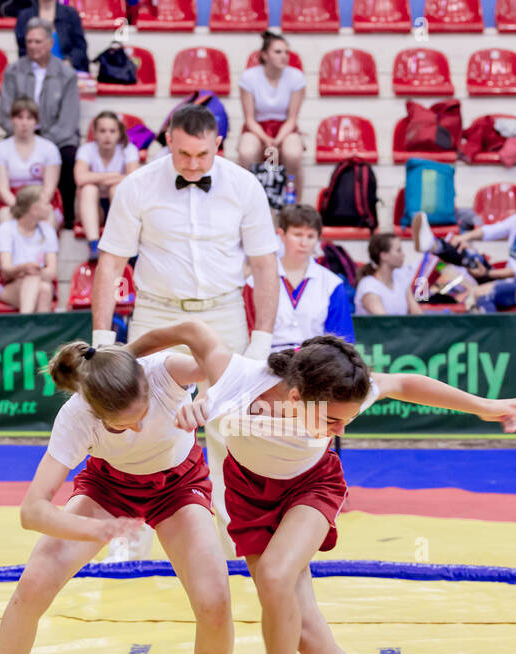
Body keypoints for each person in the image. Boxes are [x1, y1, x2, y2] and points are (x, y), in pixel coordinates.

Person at [128, 319, 516, 654]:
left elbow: (405, 382)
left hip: (312, 486)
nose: (341, 428)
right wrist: (127, 356)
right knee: (306, 632)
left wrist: (483, 406)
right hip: (251, 496)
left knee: (275, 577)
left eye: (346, 419)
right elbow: (194, 331)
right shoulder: (235, 379)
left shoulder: (345, 394)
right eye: (331, 421)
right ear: (293, 397)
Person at [0, 342, 241, 654]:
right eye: (124, 426)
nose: (136, 429)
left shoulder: (163, 371)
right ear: (97, 413)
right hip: (109, 488)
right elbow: (32, 510)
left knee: (215, 603)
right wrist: (99, 529)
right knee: (32, 587)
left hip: (179, 485)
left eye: (142, 416)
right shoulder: (77, 416)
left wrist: (206, 399)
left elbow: (222, 360)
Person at [91, 103, 280, 560]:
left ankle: (231, 543)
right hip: (156, 315)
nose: (194, 165)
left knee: (230, 430)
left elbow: (264, 264)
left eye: (202, 155)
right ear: (168, 140)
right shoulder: (136, 187)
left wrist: (262, 339)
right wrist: (101, 341)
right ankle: (127, 539)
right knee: (138, 425)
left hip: (225, 314)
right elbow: (111, 262)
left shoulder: (244, 185)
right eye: (184, 155)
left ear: (218, 144)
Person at [0, 19, 81, 229]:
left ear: (50, 43)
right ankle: (11, 204)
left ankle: (67, 216)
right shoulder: (13, 71)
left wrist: (43, 143)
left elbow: (69, 119)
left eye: (37, 41)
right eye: (29, 42)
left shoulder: (67, 74)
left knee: (69, 155)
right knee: (4, 150)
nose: (33, 46)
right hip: (20, 132)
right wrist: (24, 135)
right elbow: (5, 113)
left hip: (56, 137)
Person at [243, 205, 354, 351]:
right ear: (281, 235)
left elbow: (341, 342)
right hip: (266, 360)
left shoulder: (332, 284)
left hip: (316, 363)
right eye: (297, 235)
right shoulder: (255, 281)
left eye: (310, 236)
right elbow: (248, 333)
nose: (304, 243)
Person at [448, 179, 516, 311]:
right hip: (509, 278)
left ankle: (493, 331)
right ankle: (439, 248)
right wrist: (464, 237)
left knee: (483, 294)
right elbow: (491, 230)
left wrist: (488, 273)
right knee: (472, 256)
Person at [236, 30, 306, 192]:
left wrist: (277, 140)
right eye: (278, 52)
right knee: (246, 152)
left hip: (285, 128)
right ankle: (247, 199)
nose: (284, 56)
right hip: (257, 128)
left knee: (293, 154)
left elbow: (292, 119)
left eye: (286, 52)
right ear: (265, 55)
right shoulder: (249, 77)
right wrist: (266, 140)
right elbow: (250, 119)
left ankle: (293, 205)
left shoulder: (296, 77)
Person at [74, 111, 140, 262]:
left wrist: (97, 178)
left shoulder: (128, 149)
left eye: (112, 131)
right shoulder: (86, 149)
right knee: (89, 189)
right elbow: (80, 178)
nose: (107, 136)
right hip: (94, 208)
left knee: (116, 188)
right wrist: (114, 176)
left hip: (117, 206)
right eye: (102, 131)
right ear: (95, 133)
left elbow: (134, 180)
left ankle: (125, 243)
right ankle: (93, 244)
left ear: (119, 134)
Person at [0, 96, 62, 226]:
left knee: (48, 219)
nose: (24, 123)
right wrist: (21, 208)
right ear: (12, 120)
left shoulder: (50, 149)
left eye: (29, 118)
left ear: (36, 122)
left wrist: (36, 207)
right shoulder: (0, 150)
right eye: (20, 117)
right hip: (11, 201)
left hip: (41, 201)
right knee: (5, 218)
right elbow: (2, 189)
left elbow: (49, 189)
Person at [0, 185, 59, 314]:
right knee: (37, 283)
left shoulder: (48, 231)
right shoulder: (5, 230)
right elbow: (6, 272)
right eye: (46, 203)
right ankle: (37, 329)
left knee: (44, 288)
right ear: (34, 208)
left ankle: (27, 328)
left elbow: (51, 272)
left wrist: (33, 271)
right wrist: (24, 268)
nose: (51, 207)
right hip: (8, 286)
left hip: (39, 284)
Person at [0, 0, 88, 70]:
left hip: (68, 69)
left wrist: (67, 63)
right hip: (35, 70)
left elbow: (80, 47)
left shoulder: (71, 14)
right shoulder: (25, 16)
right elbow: (23, 50)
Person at [354, 233, 421, 316]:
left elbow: (417, 315)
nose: (403, 254)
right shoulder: (368, 286)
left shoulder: (401, 278)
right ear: (383, 256)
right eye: (398, 250)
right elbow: (386, 324)